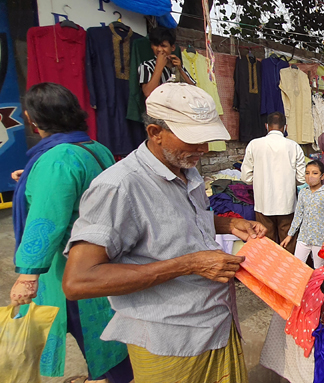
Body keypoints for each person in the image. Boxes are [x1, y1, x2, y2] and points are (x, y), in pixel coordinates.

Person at [62, 83, 266, 383]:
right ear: (156, 132)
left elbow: (173, 224)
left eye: (207, 139)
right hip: (170, 341)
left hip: (216, 324)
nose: (203, 150)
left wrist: (226, 224)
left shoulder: (186, 169)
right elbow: (78, 281)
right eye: (193, 140)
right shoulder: (119, 187)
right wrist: (189, 264)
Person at [10, 83, 132, 382]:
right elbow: (75, 191)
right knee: (107, 328)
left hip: (71, 264)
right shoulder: (93, 146)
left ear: (31, 118)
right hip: (103, 255)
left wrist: (28, 276)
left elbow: (47, 218)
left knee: (92, 331)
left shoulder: (57, 159)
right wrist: (28, 181)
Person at [241, 112, 306, 253]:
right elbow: (301, 179)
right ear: (285, 127)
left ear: (266, 126)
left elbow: (246, 177)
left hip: (263, 202)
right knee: (288, 241)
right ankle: (289, 271)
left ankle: (270, 272)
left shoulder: (254, 145)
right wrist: (287, 182)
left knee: (266, 242)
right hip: (287, 203)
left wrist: (260, 181)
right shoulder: (293, 146)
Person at [281, 160, 324, 269]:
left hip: (320, 239)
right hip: (303, 237)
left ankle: (316, 286)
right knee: (297, 266)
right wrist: (290, 235)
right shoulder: (303, 193)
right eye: (307, 173)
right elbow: (298, 215)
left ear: (322, 176)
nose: (310, 176)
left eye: (315, 173)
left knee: (318, 268)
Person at [139, 27, 196, 98]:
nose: (159, 49)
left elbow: (195, 91)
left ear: (172, 48)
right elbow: (148, 93)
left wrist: (180, 69)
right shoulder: (147, 66)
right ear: (151, 46)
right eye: (156, 45)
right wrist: (159, 67)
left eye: (163, 46)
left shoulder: (176, 64)